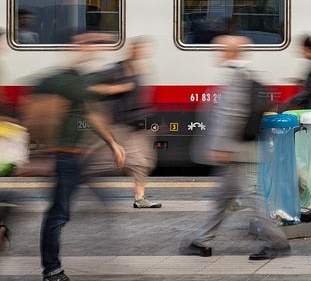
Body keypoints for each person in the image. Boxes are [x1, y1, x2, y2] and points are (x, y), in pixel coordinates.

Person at [180, 35, 290, 261]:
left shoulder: (236, 77)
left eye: (221, 48)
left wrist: (221, 146)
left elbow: (232, 114)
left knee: (253, 198)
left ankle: (278, 242)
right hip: (239, 149)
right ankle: (203, 241)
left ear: (231, 52)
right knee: (222, 198)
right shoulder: (245, 75)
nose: (218, 52)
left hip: (236, 150)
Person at [39, 33, 127, 281]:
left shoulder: (77, 81)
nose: (95, 49)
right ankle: (52, 271)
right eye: (89, 44)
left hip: (74, 158)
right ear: (75, 46)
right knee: (58, 214)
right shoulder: (60, 80)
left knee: (60, 211)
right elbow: (45, 115)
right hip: (64, 156)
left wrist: (112, 143)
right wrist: (47, 153)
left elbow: (90, 113)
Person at [83, 38, 162, 208]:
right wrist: (113, 89)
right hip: (120, 124)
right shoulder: (116, 70)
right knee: (105, 160)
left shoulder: (141, 71)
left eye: (143, 50)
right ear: (131, 50)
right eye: (138, 49)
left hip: (139, 125)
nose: (141, 53)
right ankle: (78, 177)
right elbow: (87, 85)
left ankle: (140, 199)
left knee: (142, 162)